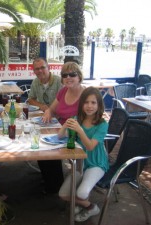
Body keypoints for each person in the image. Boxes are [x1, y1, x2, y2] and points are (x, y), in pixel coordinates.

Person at [58, 87, 109, 222]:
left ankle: (92, 208)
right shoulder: (77, 119)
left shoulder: (102, 124)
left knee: (81, 193)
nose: (89, 106)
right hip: (80, 163)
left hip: (96, 163)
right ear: (81, 104)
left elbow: (90, 146)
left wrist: (80, 130)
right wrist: (64, 126)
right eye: (86, 102)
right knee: (63, 194)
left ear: (99, 105)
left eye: (93, 102)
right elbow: (60, 136)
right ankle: (86, 205)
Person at [39, 62, 85, 194]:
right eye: (65, 75)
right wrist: (48, 112)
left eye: (72, 74)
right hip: (61, 130)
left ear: (79, 76)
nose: (68, 77)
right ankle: (52, 183)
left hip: (77, 135)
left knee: (46, 150)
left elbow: (91, 121)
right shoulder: (63, 91)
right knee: (42, 149)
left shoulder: (86, 94)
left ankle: (55, 185)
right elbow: (52, 109)